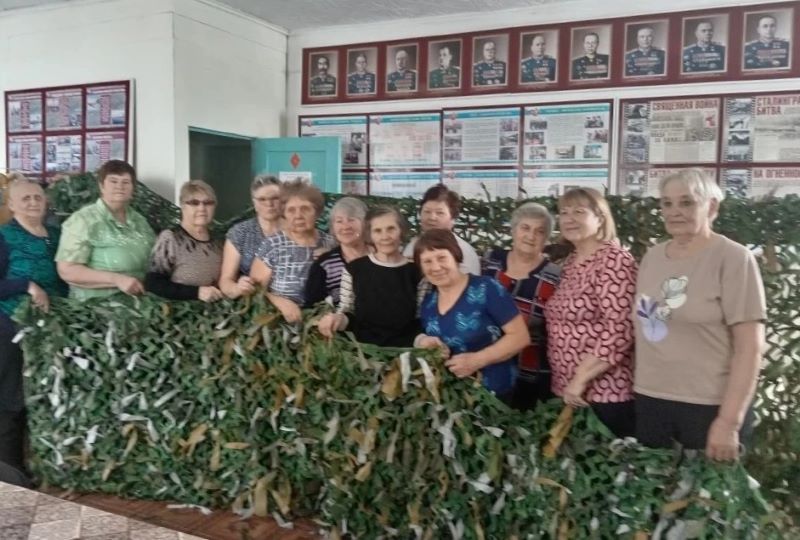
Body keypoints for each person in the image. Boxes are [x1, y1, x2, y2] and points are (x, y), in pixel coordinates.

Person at [634, 169, 765, 461]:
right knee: (653, 488)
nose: (674, 211)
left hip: (709, 406)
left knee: (707, 490)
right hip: (651, 400)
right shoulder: (652, 257)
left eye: (687, 202)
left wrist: (729, 422)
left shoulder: (733, 258)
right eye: (667, 203)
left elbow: (750, 348)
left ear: (712, 207)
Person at [543, 188, 637, 438]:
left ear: (600, 218)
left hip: (604, 393)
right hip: (568, 390)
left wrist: (580, 379)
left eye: (579, 212)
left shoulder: (614, 260)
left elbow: (620, 329)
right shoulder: (571, 262)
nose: (569, 219)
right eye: (564, 212)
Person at [0, 178, 67, 484]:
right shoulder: (4, 237)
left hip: (49, 330)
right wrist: (26, 285)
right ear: (11, 205)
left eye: (37, 197)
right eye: (25, 198)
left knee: (44, 396)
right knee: (12, 398)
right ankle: (12, 471)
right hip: (11, 328)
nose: (33, 203)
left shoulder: (56, 235)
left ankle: (45, 465)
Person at [414, 229, 529, 402]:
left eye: (442, 258)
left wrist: (477, 360)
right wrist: (431, 346)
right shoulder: (429, 303)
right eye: (427, 261)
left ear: (456, 256)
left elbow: (520, 337)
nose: (436, 267)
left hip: (492, 396)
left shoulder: (486, 288)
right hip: (454, 399)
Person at [482, 203, 561, 410]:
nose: (531, 236)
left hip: (531, 374)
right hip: (484, 368)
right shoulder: (490, 261)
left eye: (539, 231)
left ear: (546, 239)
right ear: (513, 230)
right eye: (525, 228)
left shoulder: (555, 276)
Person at [317, 206, 421, 347]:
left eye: (391, 229)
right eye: (377, 231)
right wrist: (336, 319)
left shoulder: (416, 272)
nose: (385, 236)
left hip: (406, 349)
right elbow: (347, 311)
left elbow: (419, 318)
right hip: (362, 349)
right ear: (370, 235)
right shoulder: (354, 269)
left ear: (401, 231)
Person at [56, 160, 155, 300]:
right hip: (96, 307)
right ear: (101, 186)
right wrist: (116, 279)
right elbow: (67, 271)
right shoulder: (83, 220)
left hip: (138, 304)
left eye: (126, 182)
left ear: (133, 188)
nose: (120, 186)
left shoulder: (140, 221)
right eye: (113, 181)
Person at [250, 179, 336, 323]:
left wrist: (330, 257)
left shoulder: (330, 243)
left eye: (305, 209)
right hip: (281, 323)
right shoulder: (273, 245)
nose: (298, 216)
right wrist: (278, 301)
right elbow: (255, 290)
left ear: (317, 212)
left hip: (323, 323)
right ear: (284, 214)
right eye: (291, 210)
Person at [145, 180, 223, 302]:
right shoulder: (170, 238)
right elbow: (153, 283)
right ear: (183, 206)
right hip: (180, 311)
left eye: (208, 203)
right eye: (194, 203)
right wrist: (196, 292)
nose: (202, 208)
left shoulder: (218, 242)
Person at [219, 175, 282, 299]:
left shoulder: (295, 230)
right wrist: (238, 288)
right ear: (254, 203)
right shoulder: (240, 232)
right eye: (262, 199)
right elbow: (225, 281)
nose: (269, 204)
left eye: (275, 198)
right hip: (253, 301)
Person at [402, 185, 480, 275]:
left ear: (453, 218)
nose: (432, 217)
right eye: (427, 211)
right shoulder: (413, 245)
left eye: (440, 213)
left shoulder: (463, 250)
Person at [304, 197, 369, 307]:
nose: (345, 226)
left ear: (365, 224)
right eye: (339, 221)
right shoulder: (324, 264)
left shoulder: (381, 256)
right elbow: (312, 307)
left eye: (351, 219)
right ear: (333, 228)